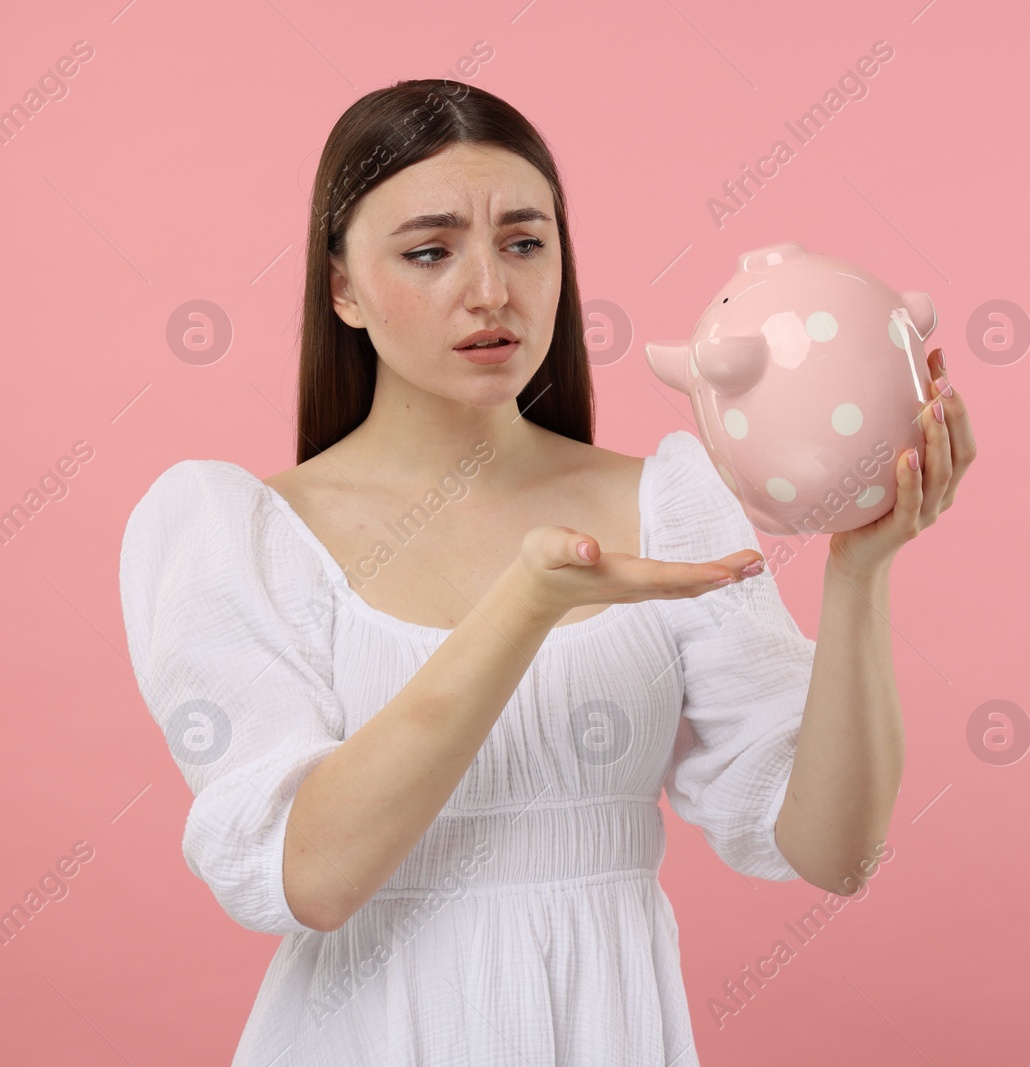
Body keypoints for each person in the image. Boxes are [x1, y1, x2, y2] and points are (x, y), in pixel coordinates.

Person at [117, 78, 975, 1065]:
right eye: (430, 251)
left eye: (525, 242)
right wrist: (526, 603)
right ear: (342, 286)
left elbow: (834, 850)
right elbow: (312, 875)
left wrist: (858, 573)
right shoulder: (240, 533)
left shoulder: (668, 502)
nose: (491, 289)